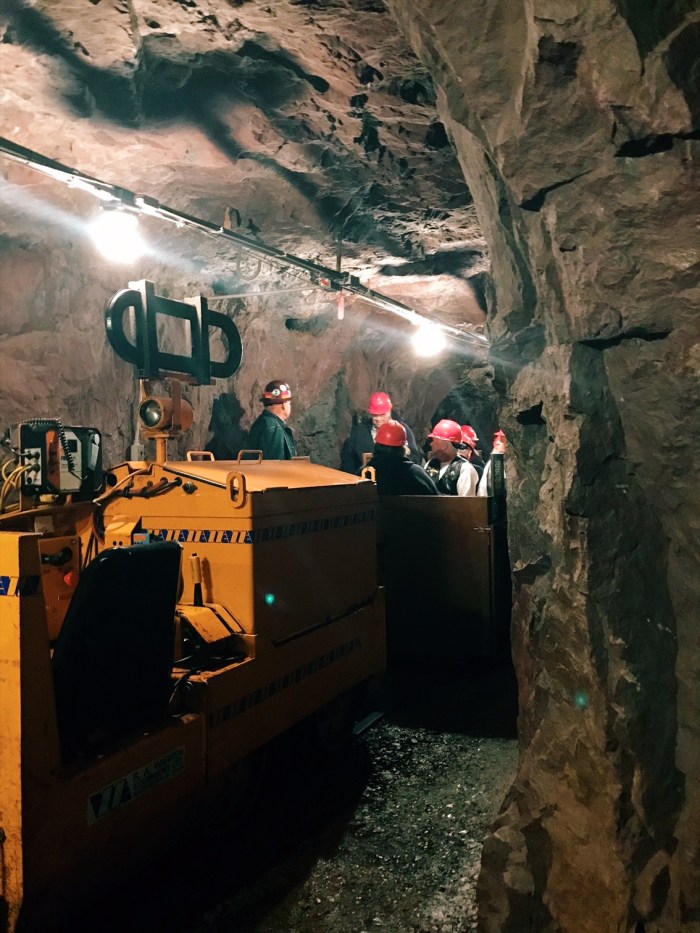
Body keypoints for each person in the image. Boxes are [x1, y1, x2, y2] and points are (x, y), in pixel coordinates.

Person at [340, 391, 421, 474]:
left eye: (382, 414)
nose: (378, 419)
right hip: (366, 481)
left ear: (389, 411)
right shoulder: (359, 433)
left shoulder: (403, 430)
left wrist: (406, 455)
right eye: (375, 415)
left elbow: (415, 459)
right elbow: (348, 460)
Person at [364, 421, 439, 496]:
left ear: (376, 446)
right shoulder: (417, 474)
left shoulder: (365, 473)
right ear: (403, 448)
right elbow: (437, 501)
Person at [424, 419, 479, 495]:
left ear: (444, 445)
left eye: (434, 440)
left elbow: (466, 504)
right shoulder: (430, 464)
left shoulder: (464, 469)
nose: (431, 444)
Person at [246, 380, 297, 459]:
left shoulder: (263, 422)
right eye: (289, 403)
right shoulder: (274, 429)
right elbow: (275, 466)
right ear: (283, 404)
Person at [478, 430, 507, 497]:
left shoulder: (507, 465)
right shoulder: (491, 462)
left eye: (502, 439)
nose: (497, 441)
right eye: (497, 438)